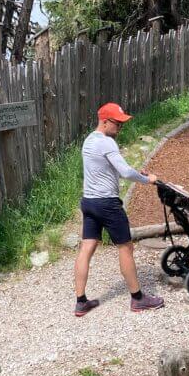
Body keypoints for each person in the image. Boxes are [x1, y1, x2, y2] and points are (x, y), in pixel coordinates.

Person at [74, 102, 165, 316]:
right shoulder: (107, 143)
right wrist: (147, 178)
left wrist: (135, 172)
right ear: (104, 122)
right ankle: (138, 298)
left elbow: (106, 169)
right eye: (117, 123)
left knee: (86, 248)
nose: (120, 128)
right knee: (126, 248)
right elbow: (125, 171)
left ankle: (81, 301)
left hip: (89, 202)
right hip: (107, 204)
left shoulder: (89, 140)